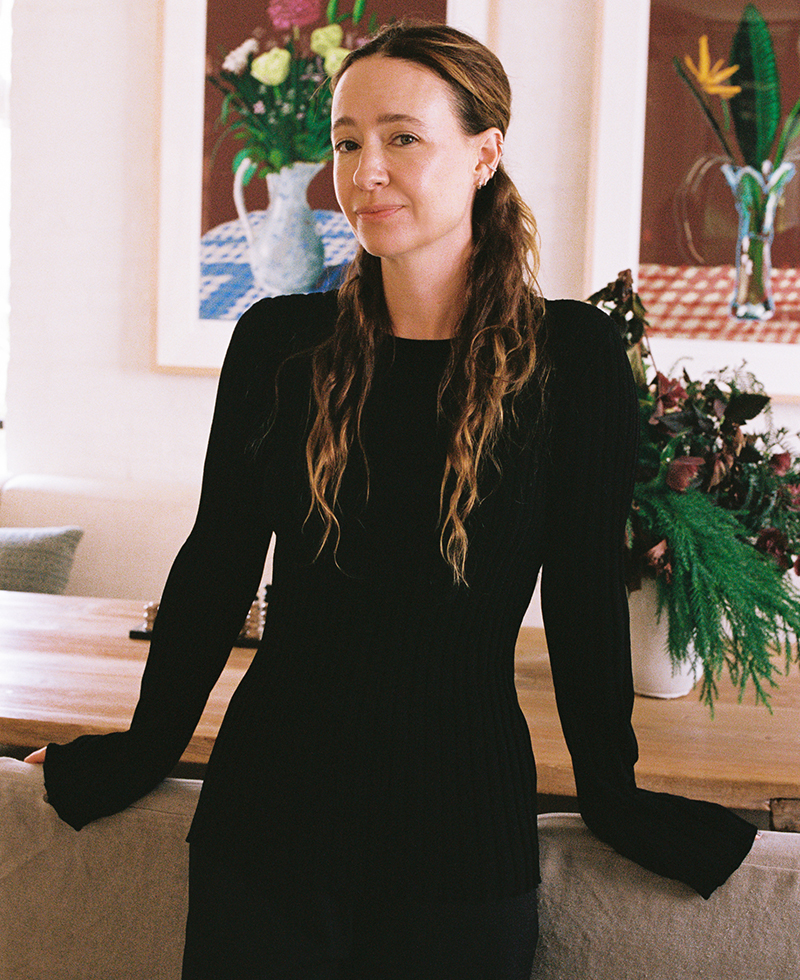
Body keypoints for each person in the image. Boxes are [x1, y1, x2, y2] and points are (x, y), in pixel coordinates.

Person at [25, 21, 757, 980]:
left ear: (485, 154)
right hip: (268, 813)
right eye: (346, 140)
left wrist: (611, 795)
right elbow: (215, 564)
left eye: (403, 137)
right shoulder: (281, 343)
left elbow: (582, 601)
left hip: (461, 825)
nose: (365, 170)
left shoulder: (571, 359)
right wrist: (142, 749)